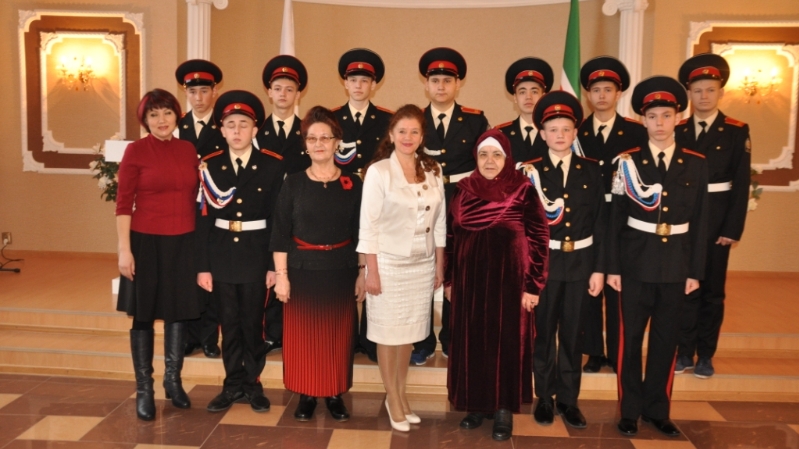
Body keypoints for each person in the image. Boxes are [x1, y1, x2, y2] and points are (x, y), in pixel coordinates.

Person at [607, 76, 708, 438]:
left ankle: (657, 410)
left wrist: (695, 270)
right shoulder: (627, 162)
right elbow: (615, 218)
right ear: (643, 120)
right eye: (652, 116)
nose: (660, 123)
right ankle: (629, 410)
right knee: (630, 341)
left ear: (678, 118)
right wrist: (613, 268)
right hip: (634, 264)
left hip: (677, 265)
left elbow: (701, 221)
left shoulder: (696, 163)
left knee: (666, 340)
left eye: (667, 115)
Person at [446, 129, 549, 441]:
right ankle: (477, 403)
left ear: (507, 159)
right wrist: (450, 280)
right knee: (474, 342)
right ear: (475, 158)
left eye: (496, 155)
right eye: (483, 154)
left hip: (510, 283)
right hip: (470, 282)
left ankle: (503, 408)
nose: (489, 161)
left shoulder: (523, 189)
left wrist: (533, 285)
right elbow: (451, 237)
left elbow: (540, 238)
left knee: (506, 344)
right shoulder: (462, 190)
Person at [270, 106, 366, 423]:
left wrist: (362, 272)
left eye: (325, 137)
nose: (319, 144)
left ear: (337, 141)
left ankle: (335, 394)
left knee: (338, 337)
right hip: (302, 271)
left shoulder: (353, 183)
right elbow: (280, 233)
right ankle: (307, 394)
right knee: (304, 338)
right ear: (305, 144)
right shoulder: (293, 184)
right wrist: (281, 276)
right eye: (312, 138)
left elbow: (362, 233)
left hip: (341, 270)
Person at [358, 105, 446, 432]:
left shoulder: (433, 169)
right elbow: (368, 226)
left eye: (414, 132)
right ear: (391, 135)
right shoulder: (379, 171)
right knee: (388, 334)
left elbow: (440, 223)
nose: (408, 137)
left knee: (407, 334)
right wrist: (371, 271)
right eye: (402, 131)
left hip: (422, 264)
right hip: (388, 263)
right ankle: (392, 398)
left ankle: (401, 394)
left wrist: (440, 264)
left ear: (422, 137)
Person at [196, 91, 285, 413]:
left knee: (252, 324)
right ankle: (232, 384)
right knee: (228, 323)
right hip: (221, 255)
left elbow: (277, 219)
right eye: (231, 125)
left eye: (243, 125)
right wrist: (203, 266)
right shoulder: (210, 165)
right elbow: (203, 219)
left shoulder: (271, 165)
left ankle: (252, 383)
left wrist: (274, 265)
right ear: (221, 130)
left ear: (255, 129)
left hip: (256, 255)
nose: (237, 131)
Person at [523, 92, 606, 430]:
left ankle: (569, 400)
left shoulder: (592, 170)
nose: (560, 135)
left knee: (573, 334)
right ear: (542, 134)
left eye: (566, 129)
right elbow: (522, 226)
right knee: (543, 334)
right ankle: (544, 396)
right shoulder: (530, 172)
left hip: (581, 264)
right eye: (553, 129)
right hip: (544, 264)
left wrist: (599, 268)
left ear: (575, 133)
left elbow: (601, 222)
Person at [116, 88, 200, 421]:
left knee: (178, 313)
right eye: (153, 115)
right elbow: (123, 204)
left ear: (177, 115)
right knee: (144, 315)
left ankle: (172, 381)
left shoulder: (188, 149)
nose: (161, 120)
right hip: (145, 243)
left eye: (167, 112)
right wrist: (125, 250)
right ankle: (144, 389)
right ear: (145, 120)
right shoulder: (136, 151)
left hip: (184, 242)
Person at [675, 53, 751, 379]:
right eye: (697, 90)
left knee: (712, 291)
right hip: (684, 222)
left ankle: (705, 354)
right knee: (683, 288)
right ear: (689, 94)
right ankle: (683, 352)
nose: (704, 96)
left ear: (721, 92)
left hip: (718, 222)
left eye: (710, 90)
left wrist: (732, 228)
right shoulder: (677, 129)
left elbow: (742, 182)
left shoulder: (735, 131)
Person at [413, 47, 490, 365]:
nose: (441, 86)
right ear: (426, 85)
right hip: (423, 200)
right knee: (421, 267)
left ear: (458, 84)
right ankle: (421, 340)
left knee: (459, 268)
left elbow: (486, 165)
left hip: (463, 199)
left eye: (447, 80)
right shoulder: (414, 120)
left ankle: (453, 336)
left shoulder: (475, 120)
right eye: (435, 81)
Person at [576, 56, 648, 374]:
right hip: (588, 218)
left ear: (619, 94)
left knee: (620, 287)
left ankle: (619, 352)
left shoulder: (635, 132)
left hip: (622, 219)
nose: (602, 95)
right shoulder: (576, 131)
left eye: (608, 89)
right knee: (590, 285)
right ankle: (593, 351)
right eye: (596, 90)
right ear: (588, 94)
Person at [332, 48, 394, 363]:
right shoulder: (332, 118)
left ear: (374, 85)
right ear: (345, 83)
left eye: (364, 80)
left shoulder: (386, 119)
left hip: (377, 200)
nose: (358, 85)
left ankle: (370, 339)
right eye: (353, 80)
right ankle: (345, 337)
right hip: (340, 199)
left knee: (373, 264)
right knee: (345, 264)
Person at [256, 54, 310, 360]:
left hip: (300, 215)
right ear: (269, 92)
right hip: (264, 215)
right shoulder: (255, 131)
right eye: (278, 88)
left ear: (298, 94)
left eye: (290, 89)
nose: (283, 94)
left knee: (296, 274)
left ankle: (296, 331)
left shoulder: (308, 131)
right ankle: (272, 333)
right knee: (269, 274)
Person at [175, 59, 226, 359]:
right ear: (186, 93)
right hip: (182, 209)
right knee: (185, 274)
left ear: (214, 92)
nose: (198, 97)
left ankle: (209, 337)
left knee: (212, 273)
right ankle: (188, 336)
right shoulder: (176, 125)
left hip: (214, 209)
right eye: (192, 91)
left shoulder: (225, 125)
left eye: (204, 91)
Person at [495, 57, 553, 164]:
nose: (528, 97)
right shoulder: (501, 134)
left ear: (543, 96)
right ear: (515, 98)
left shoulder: (554, 132)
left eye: (534, 92)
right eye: (522, 92)